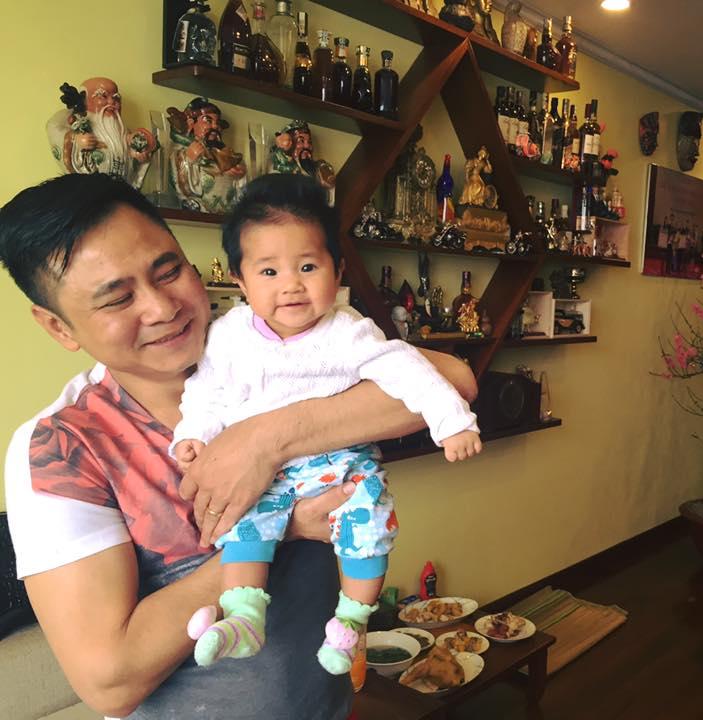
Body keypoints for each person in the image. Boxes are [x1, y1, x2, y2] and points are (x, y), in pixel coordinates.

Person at [0, 173, 477, 719]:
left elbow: (454, 380)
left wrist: (263, 440)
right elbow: (110, 681)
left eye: (169, 271)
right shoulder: (62, 448)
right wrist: (283, 525)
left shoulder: (269, 342)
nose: (161, 308)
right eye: (118, 298)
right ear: (59, 327)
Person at [171, 173, 482, 672]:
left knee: (369, 517)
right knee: (245, 524)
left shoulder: (347, 331)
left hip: (341, 462)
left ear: (337, 272)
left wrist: (452, 423)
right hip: (265, 475)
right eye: (268, 271)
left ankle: (351, 621)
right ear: (240, 280)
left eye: (308, 266)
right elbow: (206, 392)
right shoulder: (228, 336)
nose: (291, 284)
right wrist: (192, 435)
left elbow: (408, 370)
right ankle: (244, 616)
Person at [46, 77, 156, 188]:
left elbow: (134, 170)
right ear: (85, 99)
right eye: (103, 96)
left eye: (116, 98)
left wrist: (140, 158)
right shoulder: (79, 124)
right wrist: (75, 138)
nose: (111, 102)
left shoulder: (124, 133)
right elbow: (53, 127)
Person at [167, 97, 247, 214]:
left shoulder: (227, 156)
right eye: (208, 121)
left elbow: (241, 192)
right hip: (199, 211)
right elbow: (182, 190)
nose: (214, 126)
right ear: (191, 124)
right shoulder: (182, 153)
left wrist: (240, 176)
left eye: (217, 123)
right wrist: (188, 160)